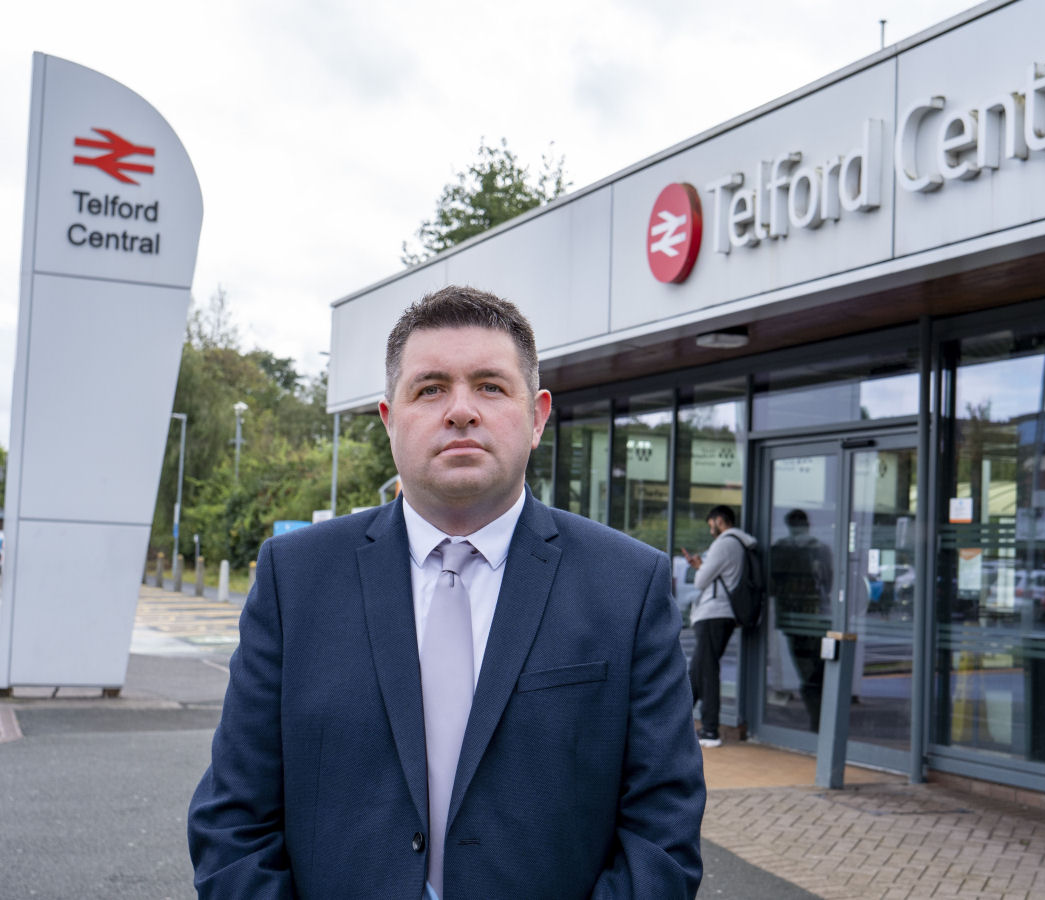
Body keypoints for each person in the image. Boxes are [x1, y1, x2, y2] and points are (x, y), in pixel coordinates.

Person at [188, 285, 705, 899]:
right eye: (430, 388)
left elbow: (662, 831)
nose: (461, 410)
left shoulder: (627, 586)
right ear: (389, 420)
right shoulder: (294, 580)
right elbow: (234, 821)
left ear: (537, 416)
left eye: (490, 385)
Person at [680, 505, 757, 748]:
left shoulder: (724, 543)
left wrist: (700, 568)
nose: (710, 528)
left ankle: (710, 730)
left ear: (720, 520)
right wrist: (702, 564)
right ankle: (676, 721)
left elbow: (702, 581)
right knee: (697, 671)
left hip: (714, 613)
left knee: (706, 671)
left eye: (711, 523)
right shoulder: (740, 543)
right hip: (722, 614)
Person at [770, 509, 833, 730]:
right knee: (820, 671)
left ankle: (817, 721)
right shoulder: (821, 549)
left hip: (792, 620)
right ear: (807, 524)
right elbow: (829, 582)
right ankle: (820, 721)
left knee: (807, 673)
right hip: (818, 618)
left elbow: (771, 586)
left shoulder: (779, 549)